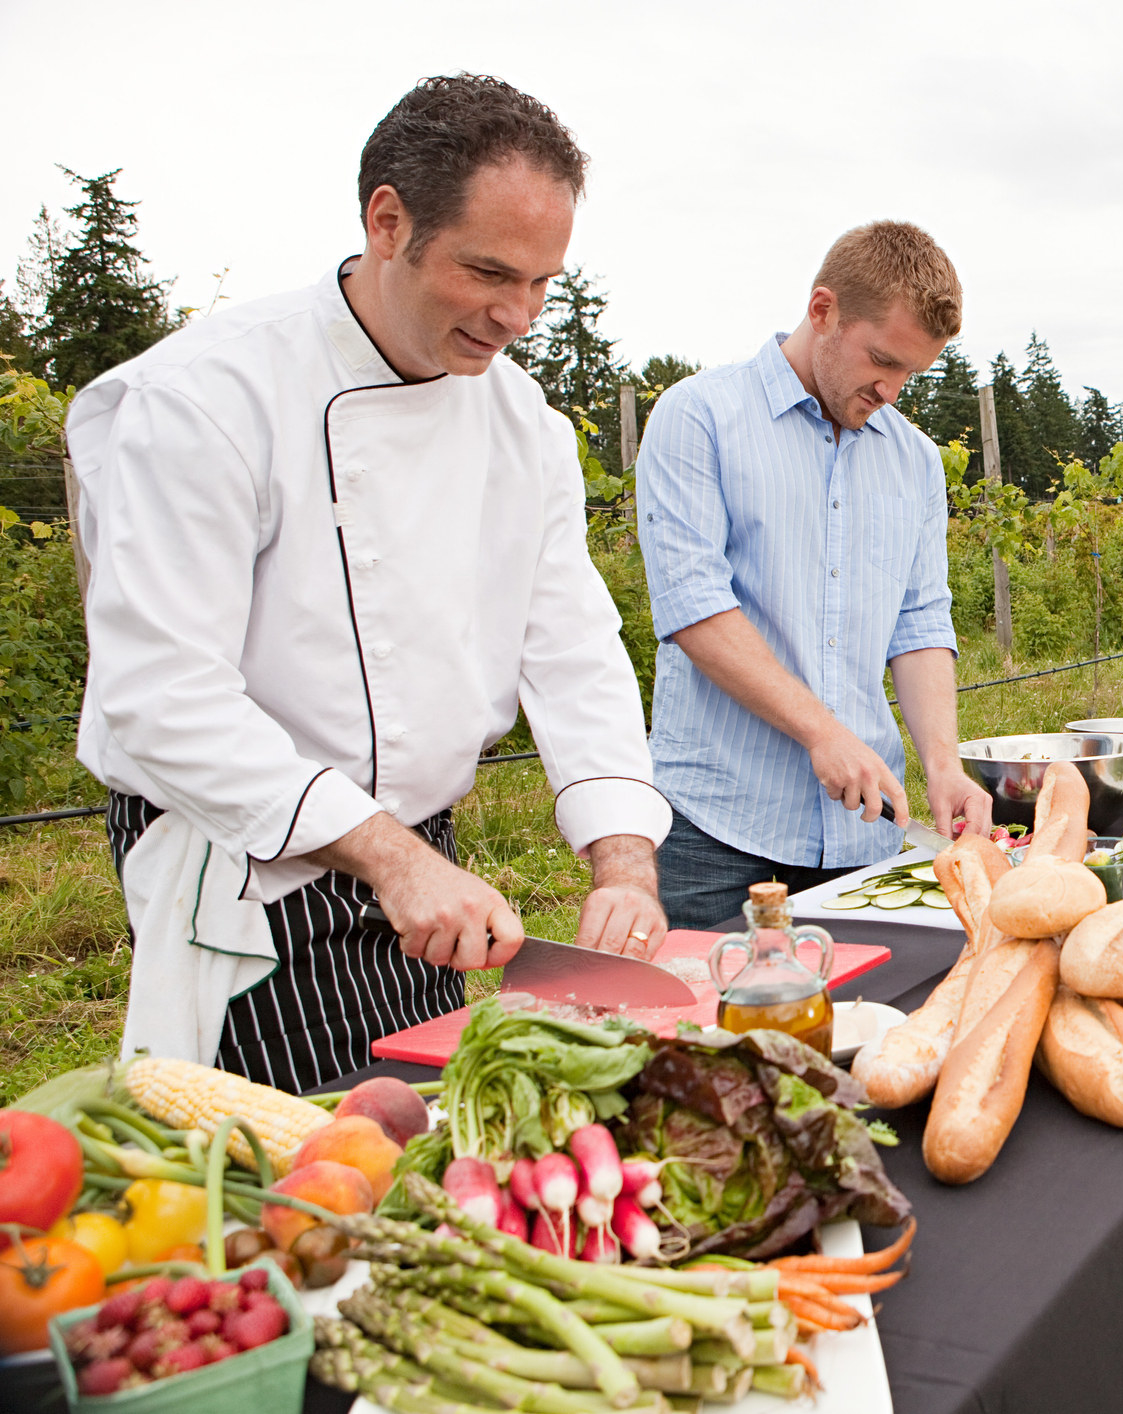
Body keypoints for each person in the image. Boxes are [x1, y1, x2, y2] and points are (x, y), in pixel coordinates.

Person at [68, 75, 672, 1093]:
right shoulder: (211, 399)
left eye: (542, 283)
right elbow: (162, 695)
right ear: (386, 220)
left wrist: (624, 858)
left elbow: (570, 650)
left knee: (418, 1121)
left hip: (425, 861)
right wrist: (389, 856)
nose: (517, 314)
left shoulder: (522, 426)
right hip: (247, 858)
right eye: (489, 272)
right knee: (306, 1163)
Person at [636, 221, 995, 929]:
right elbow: (694, 607)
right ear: (823, 310)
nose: (890, 390)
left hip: (862, 833)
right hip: (715, 826)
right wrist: (821, 734)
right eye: (882, 361)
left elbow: (919, 622)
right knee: (702, 1033)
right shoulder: (699, 416)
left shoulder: (915, 460)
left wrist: (943, 767)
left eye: (911, 375)